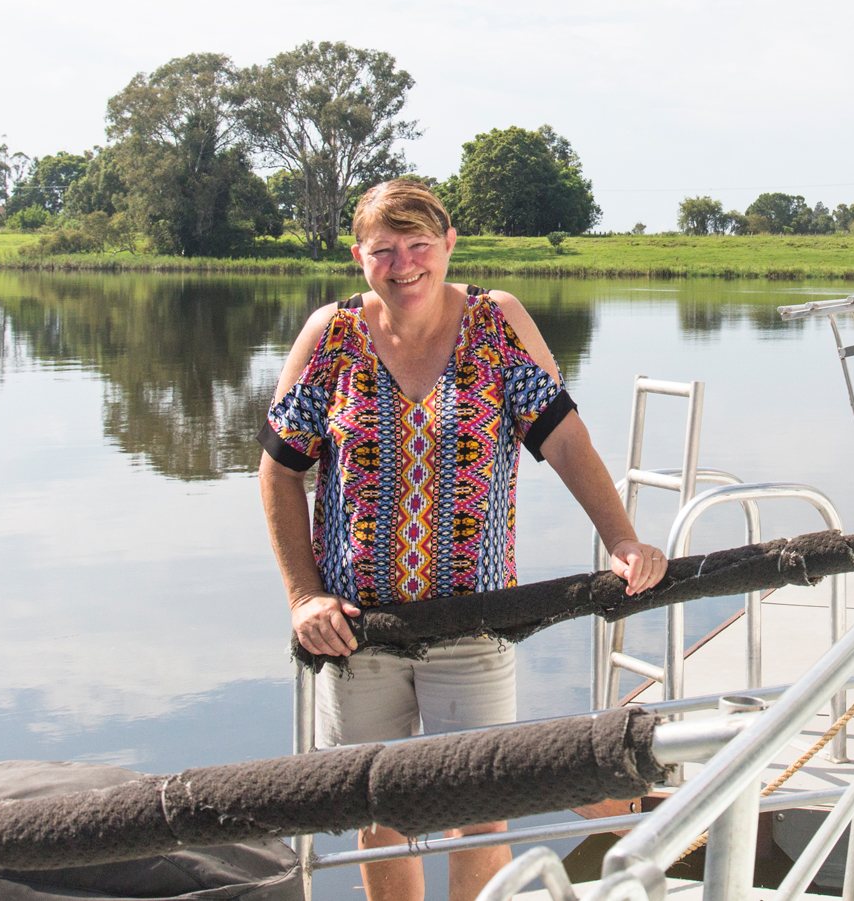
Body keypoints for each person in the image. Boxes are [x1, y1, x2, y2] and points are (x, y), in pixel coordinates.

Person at [258, 179, 666, 901]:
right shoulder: (330, 337)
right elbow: (278, 471)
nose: (404, 264)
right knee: (377, 807)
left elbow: (566, 441)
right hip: (358, 633)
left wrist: (624, 539)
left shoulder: (496, 323)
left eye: (420, 245)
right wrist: (302, 596)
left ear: (449, 246)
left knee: (477, 808)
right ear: (360, 257)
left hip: (476, 621)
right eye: (385, 250)